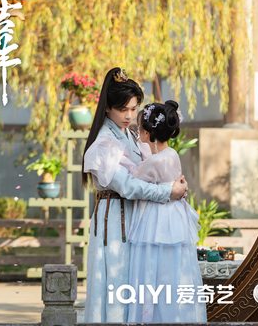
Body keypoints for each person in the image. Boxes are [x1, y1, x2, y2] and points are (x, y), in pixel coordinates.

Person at [82, 67, 188, 323]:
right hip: (114, 222)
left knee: (136, 283)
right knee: (117, 284)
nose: (129, 115)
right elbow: (128, 186)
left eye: (133, 108)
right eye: (123, 109)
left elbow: (149, 170)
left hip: (137, 217)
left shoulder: (131, 135)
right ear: (108, 108)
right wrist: (168, 191)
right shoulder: (104, 144)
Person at [126, 100, 206, 322]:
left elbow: (132, 181)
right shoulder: (172, 154)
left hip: (157, 217)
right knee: (175, 269)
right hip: (175, 215)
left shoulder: (153, 162)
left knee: (153, 268)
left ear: (147, 132)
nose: (138, 132)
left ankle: (152, 316)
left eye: (140, 128)